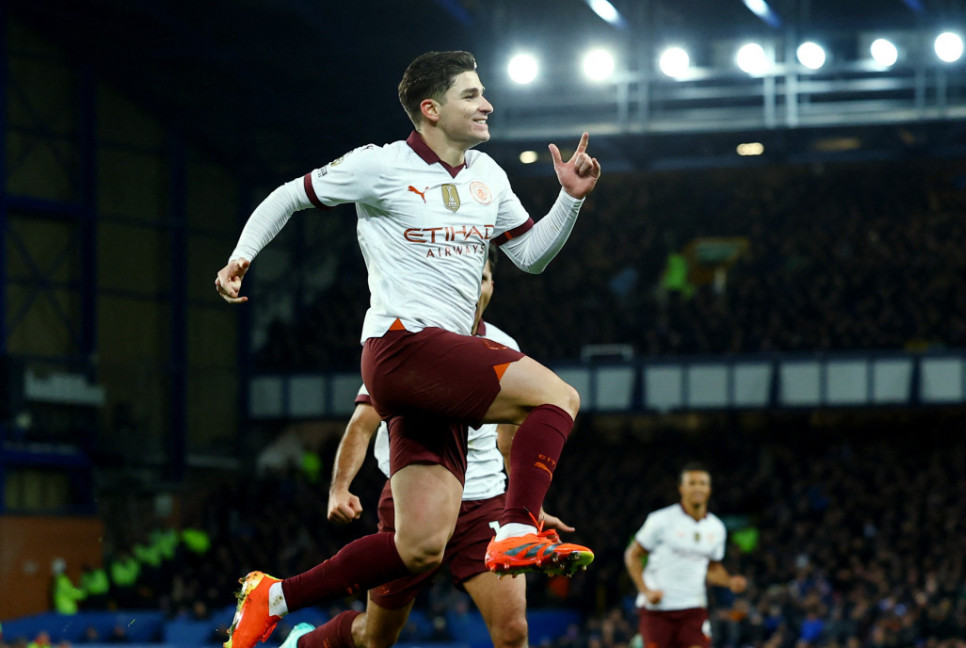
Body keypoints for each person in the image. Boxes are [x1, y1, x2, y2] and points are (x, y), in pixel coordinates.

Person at [215, 50, 599, 648]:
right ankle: (516, 529)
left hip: (437, 380)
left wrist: (569, 199)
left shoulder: (488, 175)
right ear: (430, 108)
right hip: (403, 345)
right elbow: (289, 195)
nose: (487, 104)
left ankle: (277, 599)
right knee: (560, 397)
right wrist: (242, 257)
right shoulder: (379, 166)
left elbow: (530, 255)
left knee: (417, 548)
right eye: (471, 95)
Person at [280, 250, 567, 648]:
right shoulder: (413, 340)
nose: (475, 286)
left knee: (513, 632)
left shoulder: (504, 346)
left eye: (483, 278)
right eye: (468, 276)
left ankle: (280, 603)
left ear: (491, 286)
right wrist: (339, 487)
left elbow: (510, 440)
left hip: (483, 502)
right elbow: (362, 426)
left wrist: (529, 507)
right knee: (376, 639)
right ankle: (302, 644)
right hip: (414, 496)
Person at [624, 464, 748, 648]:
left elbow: (712, 568)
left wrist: (730, 582)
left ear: (709, 489)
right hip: (657, 611)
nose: (697, 487)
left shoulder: (716, 528)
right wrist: (646, 590)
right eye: (692, 483)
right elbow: (632, 555)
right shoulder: (660, 520)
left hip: (693, 610)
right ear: (681, 488)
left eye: (702, 483)